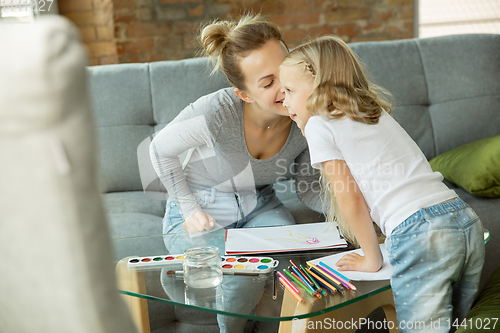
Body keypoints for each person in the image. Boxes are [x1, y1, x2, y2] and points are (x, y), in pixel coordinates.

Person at [279, 35, 485, 332]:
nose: (284, 101)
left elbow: (349, 198)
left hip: (419, 233)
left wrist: (370, 258)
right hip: (463, 218)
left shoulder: (319, 124)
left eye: (289, 90)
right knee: (459, 326)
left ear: (318, 86)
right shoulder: (371, 110)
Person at [149, 14, 323, 333]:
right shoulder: (216, 112)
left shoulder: (307, 113)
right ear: (244, 94)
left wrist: (351, 208)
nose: (284, 86)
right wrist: (189, 210)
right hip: (201, 210)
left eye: (285, 69)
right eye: (268, 83)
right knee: (243, 272)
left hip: (259, 205)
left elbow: (309, 187)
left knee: (287, 266)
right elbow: (159, 149)